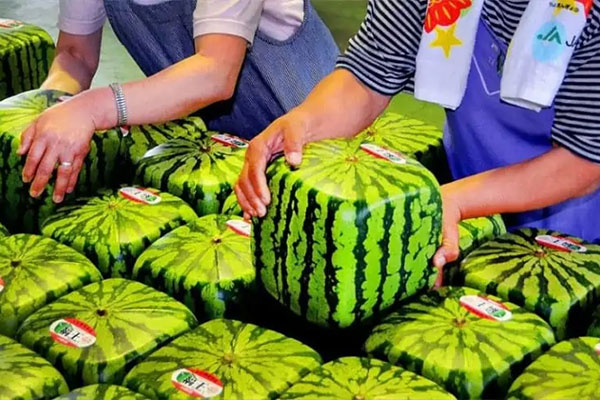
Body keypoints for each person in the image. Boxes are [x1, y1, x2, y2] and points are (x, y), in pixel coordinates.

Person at [236, 0, 600, 286]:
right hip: (472, 193)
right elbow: (369, 73)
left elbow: (585, 160)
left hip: (578, 235)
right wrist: (303, 122)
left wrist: (456, 199)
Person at [19, 0, 338, 204]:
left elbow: (215, 72)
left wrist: (91, 108)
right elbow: (75, 56)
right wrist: (46, 112)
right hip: (211, 156)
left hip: (318, 157)